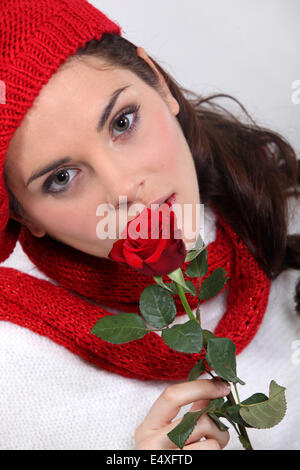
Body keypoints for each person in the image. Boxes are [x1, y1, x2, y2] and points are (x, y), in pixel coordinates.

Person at [0, 0, 299, 450]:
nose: (125, 188)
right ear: (24, 216)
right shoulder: (13, 371)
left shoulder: (283, 204)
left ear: (157, 82)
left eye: (123, 122)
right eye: (61, 178)